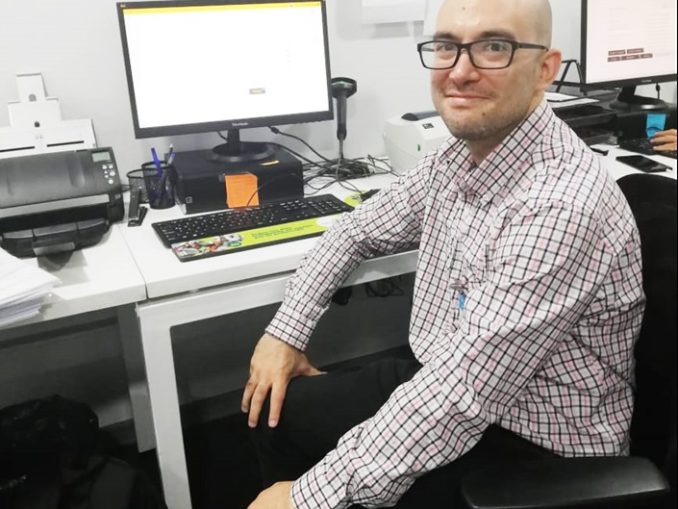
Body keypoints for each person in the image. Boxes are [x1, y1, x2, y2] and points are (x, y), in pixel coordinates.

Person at [243, 0, 645, 508]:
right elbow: (356, 231)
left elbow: (462, 394)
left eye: (494, 47)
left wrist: (305, 498)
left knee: (310, 476)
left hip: (537, 446)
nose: (459, 72)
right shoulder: (461, 158)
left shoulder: (559, 205)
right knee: (273, 407)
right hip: (454, 382)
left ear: (545, 69)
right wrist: (285, 333)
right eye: (446, 47)